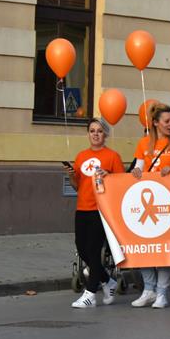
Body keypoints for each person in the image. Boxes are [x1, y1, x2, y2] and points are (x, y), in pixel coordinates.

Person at [131, 102, 170, 309]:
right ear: (155, 123)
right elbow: (138, 169)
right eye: (167, 121)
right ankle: (148, 290)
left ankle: (162, 293)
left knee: (164, 249)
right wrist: (136, 173)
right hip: (148, 202)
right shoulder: (143, 143)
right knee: (145, 247)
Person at [66, 119, 125, 308]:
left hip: (101, 210)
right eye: (92, 131)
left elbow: (122, 184)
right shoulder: (81, 156)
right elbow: (77, 186)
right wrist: (70, 175)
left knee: (93, 250)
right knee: (82, 248)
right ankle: (108, 281)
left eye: (99, 131)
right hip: (82, 208)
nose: (96, 134)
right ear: (88, 134)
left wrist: (110, 176)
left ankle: (90, 293)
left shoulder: (113, 156)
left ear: (105, 134)